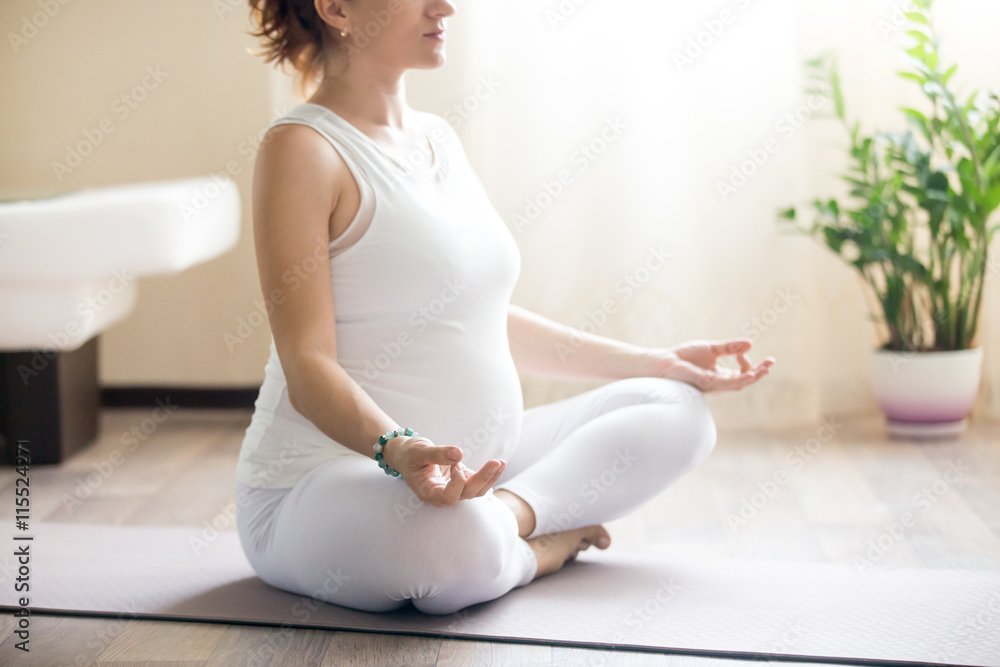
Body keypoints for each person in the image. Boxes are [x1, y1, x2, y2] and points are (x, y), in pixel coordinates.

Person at [236, 0, 776, 616]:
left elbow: (480, 319)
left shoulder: (437, 138)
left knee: (678, 409)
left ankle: (511, 519)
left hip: (472, 468)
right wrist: (397, 448)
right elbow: (306, 363)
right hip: (326, 480)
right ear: (336, 8)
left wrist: (656, 361)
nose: (446, 6)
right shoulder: (303, 149)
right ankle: (535, 550)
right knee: (447, 541)